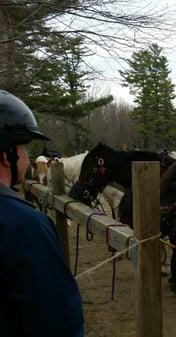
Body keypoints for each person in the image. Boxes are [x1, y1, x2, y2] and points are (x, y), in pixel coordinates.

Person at [0, 90, 84, 337]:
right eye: (24, 148)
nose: (26, 157)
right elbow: (59, 324)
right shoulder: (24, 226)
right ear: (7, 156)